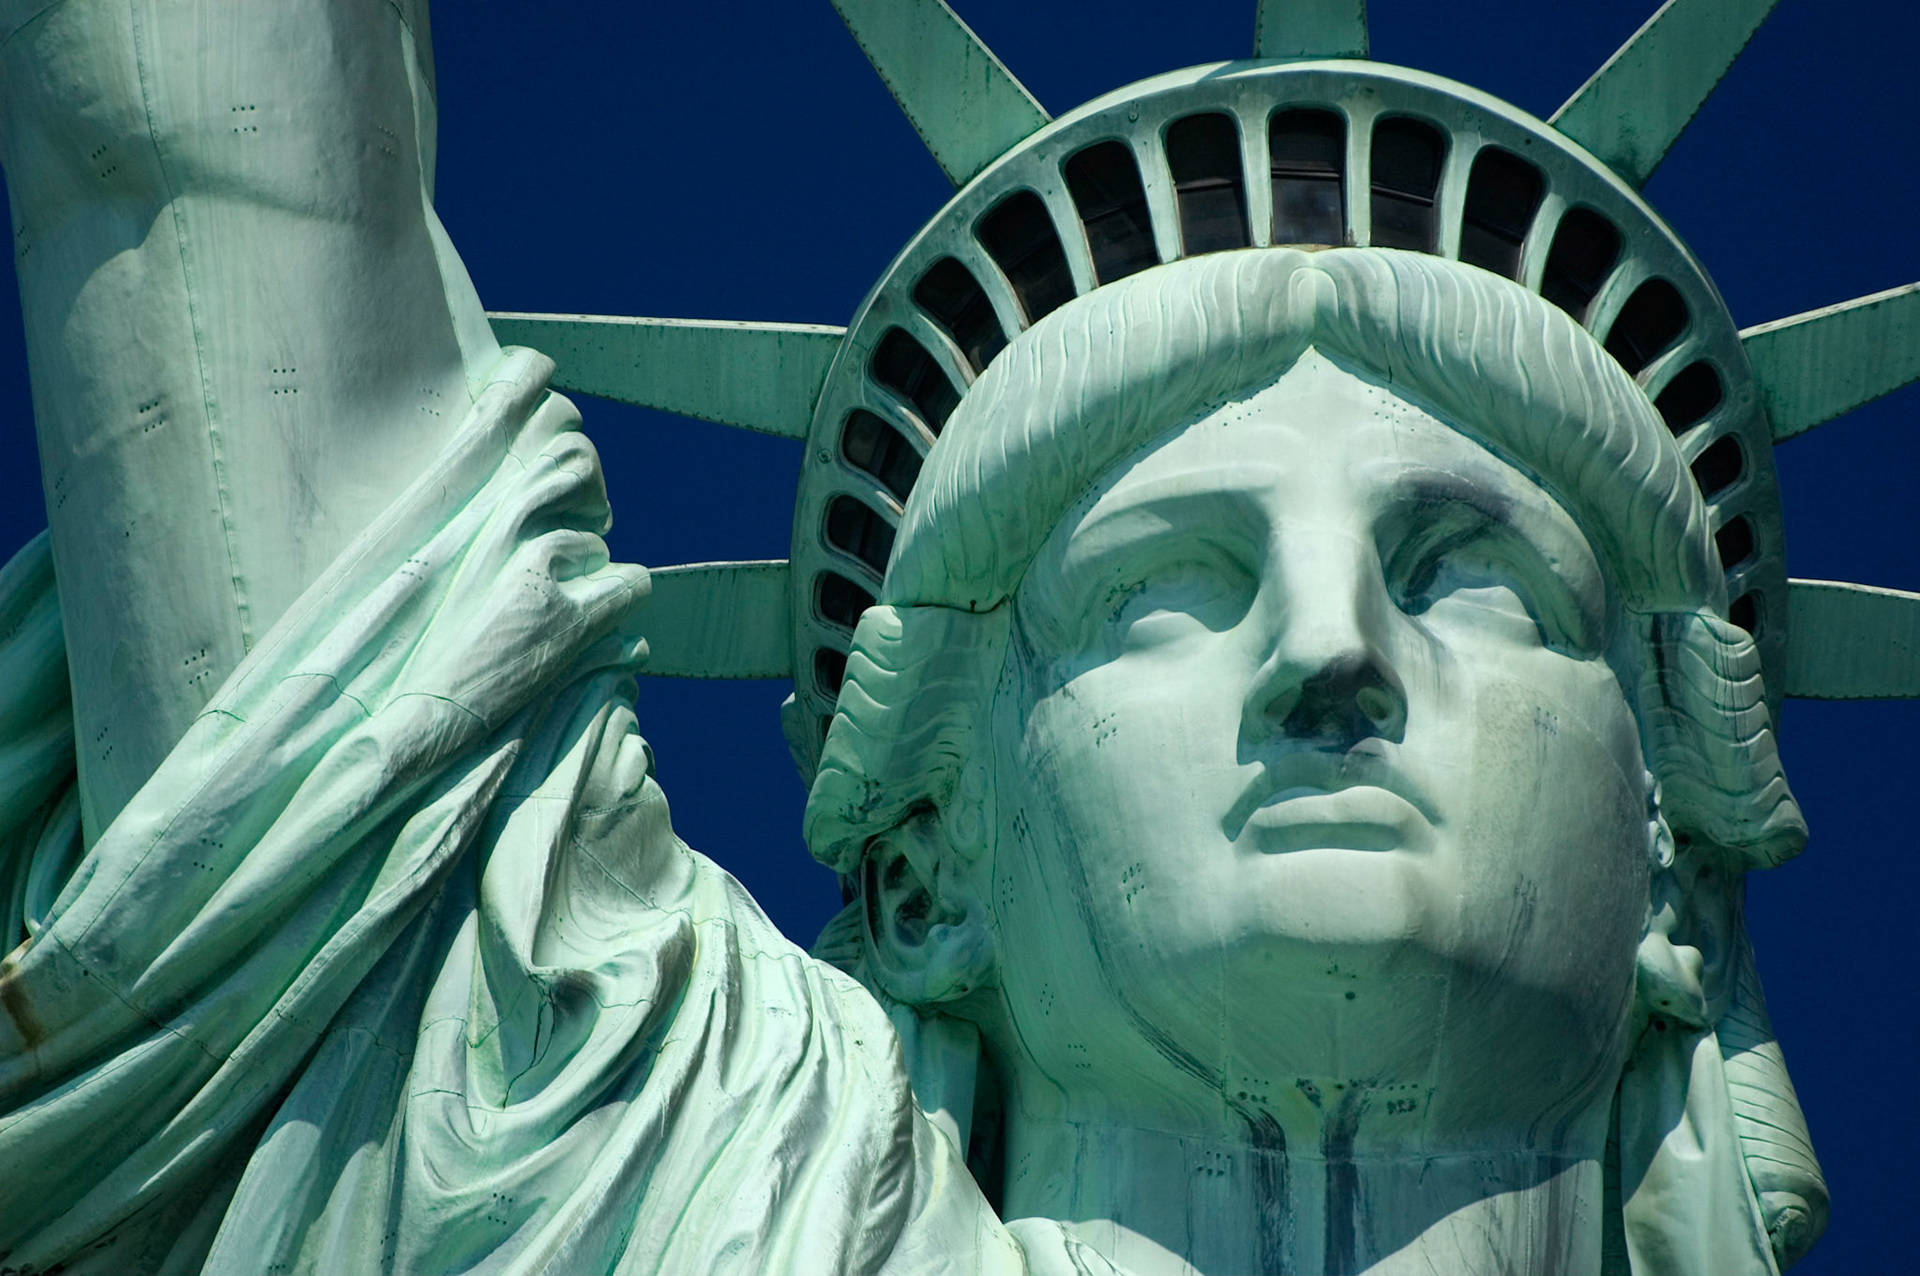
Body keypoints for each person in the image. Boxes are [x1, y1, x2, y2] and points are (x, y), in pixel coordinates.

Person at [0, 1, 1824, 1272]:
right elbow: (188, 139)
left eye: (1469, 577)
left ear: (1677, 858)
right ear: (936, 857)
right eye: (1163, 589)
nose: (1334, 652)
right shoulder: (585, 1189)